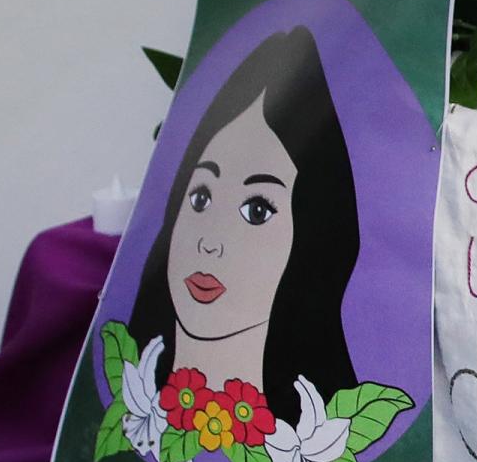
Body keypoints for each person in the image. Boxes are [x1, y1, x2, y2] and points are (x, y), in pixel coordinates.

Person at [126, 24, 361, 421]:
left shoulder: (314, 449)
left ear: (312, 236)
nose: (209, 243)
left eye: (256, 210)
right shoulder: (130, 398)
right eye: (200, 197)